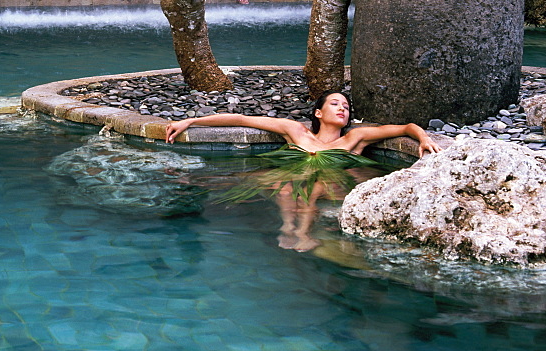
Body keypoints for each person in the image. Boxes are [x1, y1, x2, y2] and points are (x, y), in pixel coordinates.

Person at [165, 92, 443, 251]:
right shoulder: (295, 131)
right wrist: (191, 120)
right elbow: (241, 118)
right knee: (286, 186)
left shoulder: (355, 138)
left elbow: (406, 127)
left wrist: (423, 138)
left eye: (346, 106)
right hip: (288, 181)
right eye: (335, 103)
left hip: (332, 186)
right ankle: (288, 227)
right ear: (318, 113)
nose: (342, 109)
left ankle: (304, 232)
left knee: (315, 187)